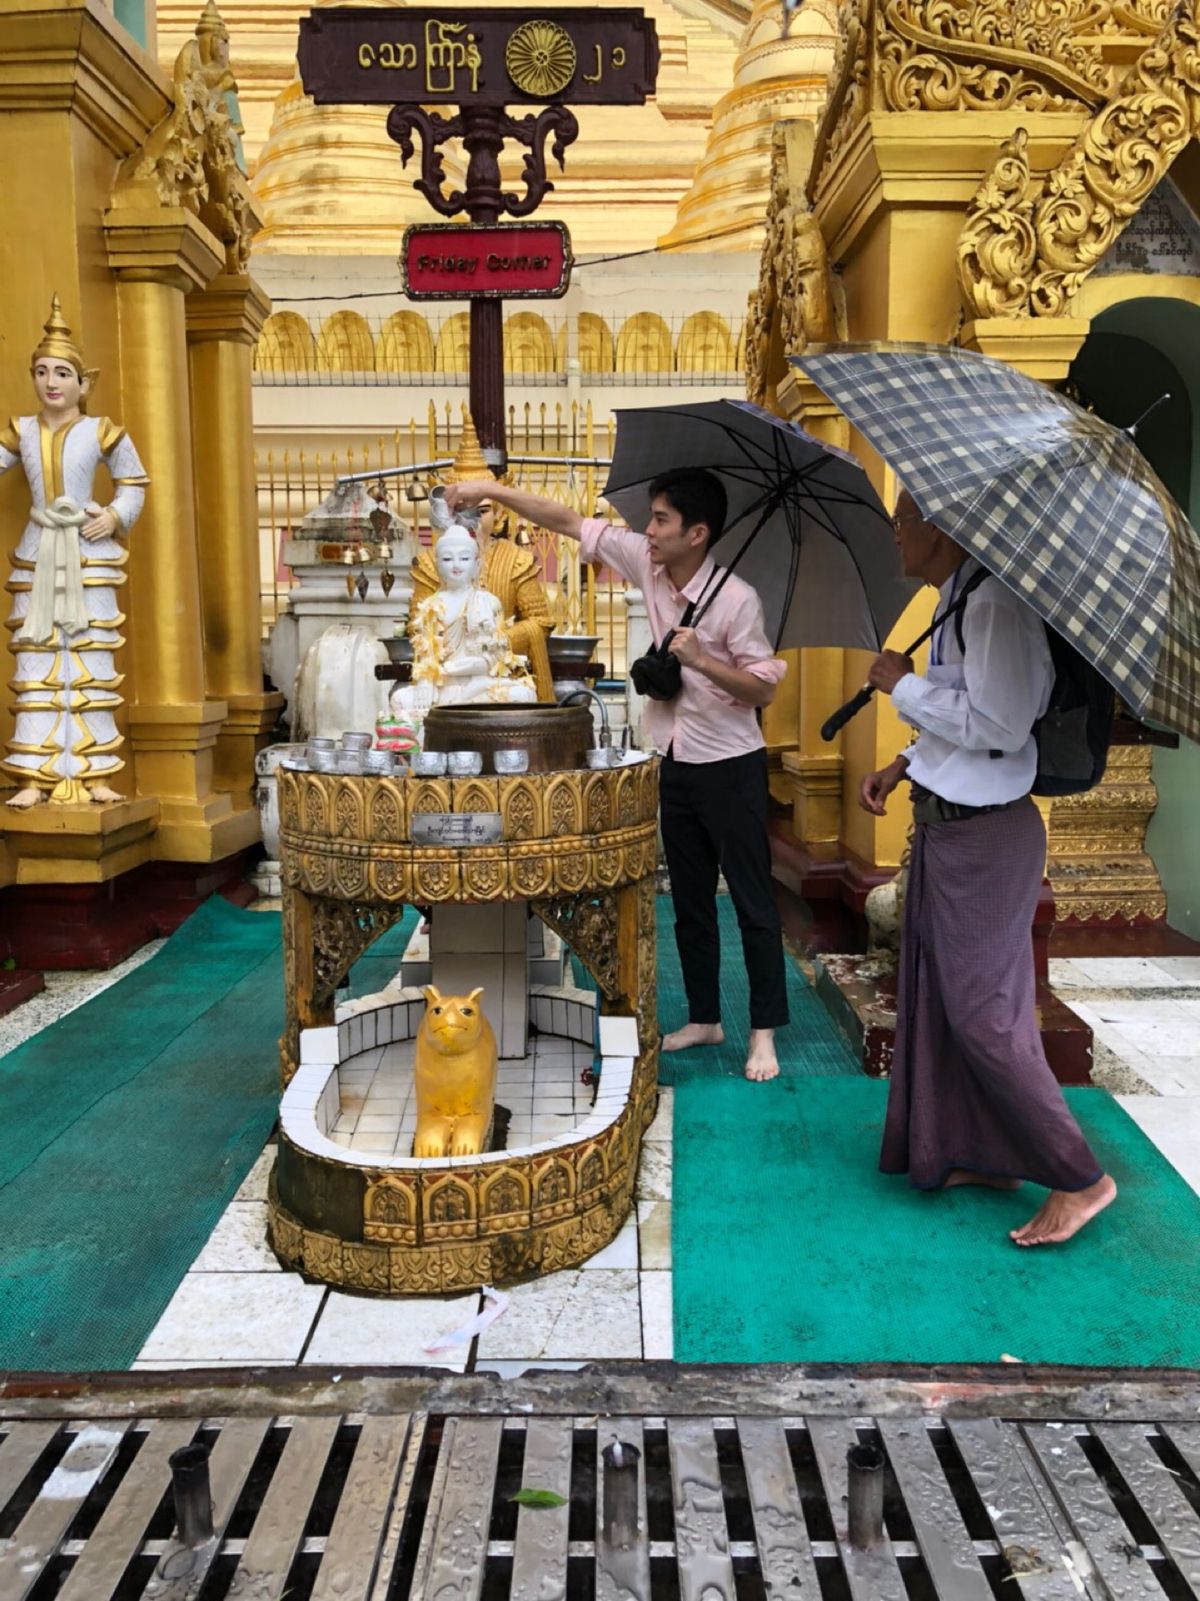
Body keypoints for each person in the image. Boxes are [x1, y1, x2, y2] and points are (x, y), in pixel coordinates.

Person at [445, 469, 790, 1082]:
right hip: (676, 759)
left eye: (661, 520)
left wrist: (703, 660)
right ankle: (706, 1016)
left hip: (731, 765)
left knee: (753, 903)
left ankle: (763, 1033)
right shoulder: (648, 564)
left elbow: (761, 686)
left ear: (698, 533)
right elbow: (566, 519)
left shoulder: (739, 600)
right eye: (650, 518)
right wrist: (492, 492)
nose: (648, 530)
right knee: (687, 899)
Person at [860, 489, 1116, 1246]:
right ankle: (985, 1149)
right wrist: (903, 762)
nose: (897, 537)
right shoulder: (961, 596)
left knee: (984, 1014)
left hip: (988, 842)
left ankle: (1081, 1178)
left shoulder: (995, 602)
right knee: (940, 997)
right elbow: (966, 708)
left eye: (902, 522)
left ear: (938, 528)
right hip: (950, 829)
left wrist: (897, 687)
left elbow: (1002, 726)